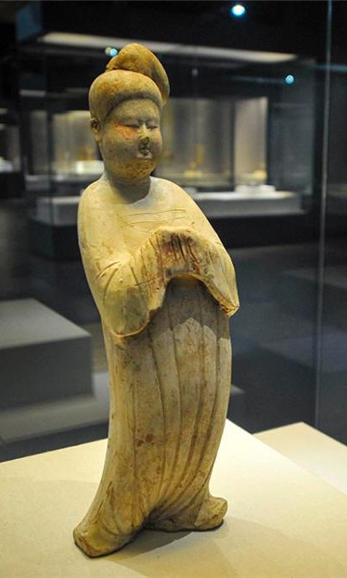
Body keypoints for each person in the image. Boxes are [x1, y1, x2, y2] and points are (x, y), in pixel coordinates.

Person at [74, 44, 239, 557]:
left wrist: (191, 254)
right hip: (146, 356)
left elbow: (227, 277)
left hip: (205, 349)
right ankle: (120, 517)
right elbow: (116, 301)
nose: (146, 136)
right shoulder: (97, 202)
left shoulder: (175, 195)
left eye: (153, 124)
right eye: (131, 125)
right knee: (142, 434)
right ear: (98, 130)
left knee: (199, 428)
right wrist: (162, 255)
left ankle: (185, 502)